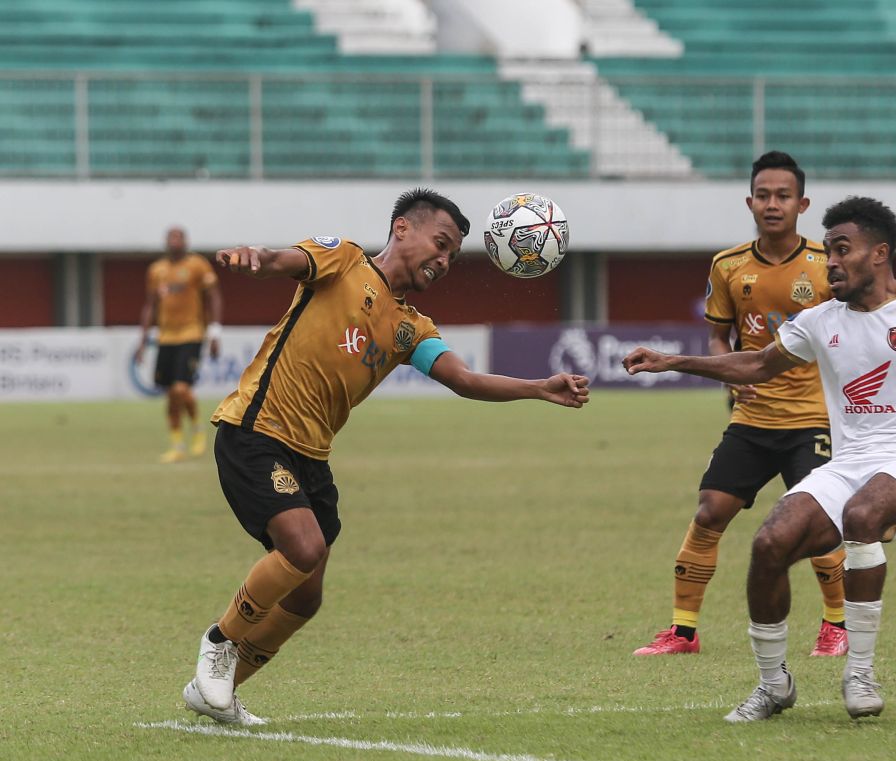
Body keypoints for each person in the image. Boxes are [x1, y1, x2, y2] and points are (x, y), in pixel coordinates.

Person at [183, 188, 590, 725]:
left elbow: (464, 380)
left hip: (311, 457)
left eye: (452, 255)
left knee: (306, 598)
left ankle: (217, 692)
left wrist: (540, 386)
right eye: (439, 243)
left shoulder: (409, 326)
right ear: (402, 228)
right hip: (255, 429)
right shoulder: (344, 260)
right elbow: (286, 260)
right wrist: (256, 258)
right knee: (302, 547)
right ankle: (219, 641)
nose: (443, 261)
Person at [623, 196, 896, 722]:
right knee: (770, 544)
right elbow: (756, 364)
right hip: (851, 461)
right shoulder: (820, 320)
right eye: (829, 254)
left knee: (862, 517)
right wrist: (673, 361)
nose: (832, 264)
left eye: (843, 251)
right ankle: (774, 685)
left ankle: (860, 671)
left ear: (880, 254)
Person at [633, 151, 848, 658]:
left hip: (812, 418)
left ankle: (836, 625)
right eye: (764, 195)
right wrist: (731, 380)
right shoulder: (728, 265)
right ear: (750, 202)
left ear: (803, 203)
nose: (773, 205)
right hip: (752, 418)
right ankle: (683, 633)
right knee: (710, 511)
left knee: (817, 522)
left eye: (784, 196)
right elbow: (717, 339)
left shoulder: (826, 267)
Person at [135, 227, 223, 463]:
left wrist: (214, 332)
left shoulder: (197, 265)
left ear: (185, 241)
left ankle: (196, 429)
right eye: (170, 238)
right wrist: (142, 342)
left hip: (192, 333)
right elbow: (150, 306)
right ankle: (176, 444)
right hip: (165, 338)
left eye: (178, 237)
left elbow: (213, 296)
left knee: (181, 389)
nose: (174, 241)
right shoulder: (156, 270)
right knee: (170, 395)